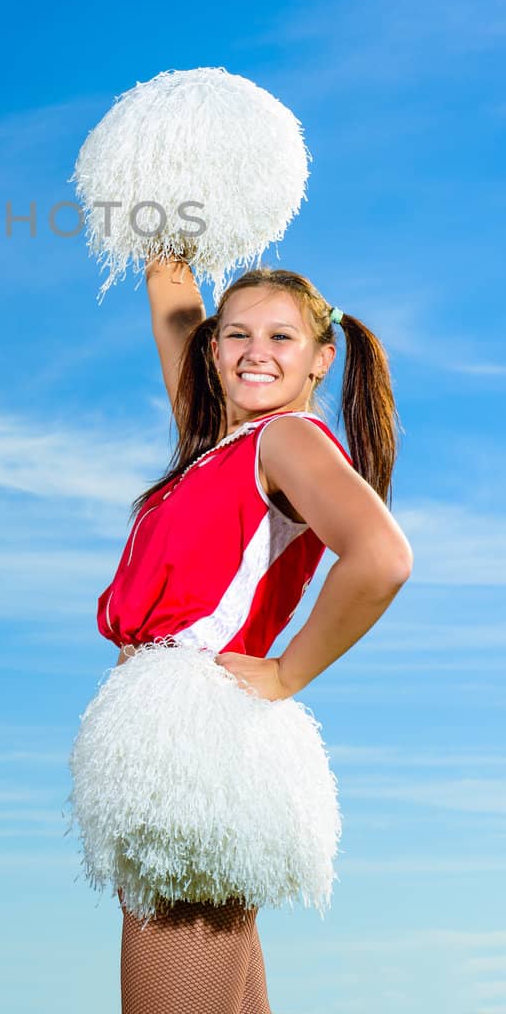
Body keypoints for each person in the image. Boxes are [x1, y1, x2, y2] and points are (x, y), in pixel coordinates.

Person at [74, 252, 413, 1014]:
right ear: (214, 349)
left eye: (282, 338)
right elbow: (171, 294)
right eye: (236, 334)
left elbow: (383, 557)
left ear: (322, 358)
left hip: (199, 741)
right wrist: (171, 230)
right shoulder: (213, 445)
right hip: (170, 735)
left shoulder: (285, 440)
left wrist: (288, 674)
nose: (256, 351)